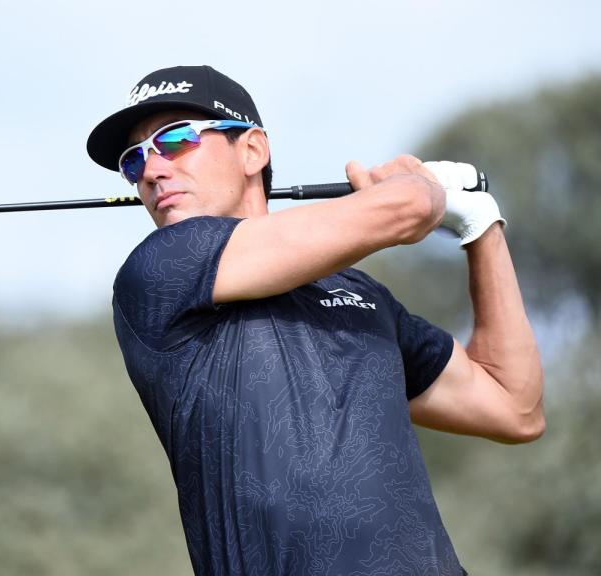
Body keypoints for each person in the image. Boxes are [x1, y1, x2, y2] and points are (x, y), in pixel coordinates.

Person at [85, 65, 544, 576]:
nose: (151, 169)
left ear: (253, 151)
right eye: (134, 159)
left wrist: (481, 225)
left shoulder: (361, 294)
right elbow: (409, 207)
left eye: (173, 140)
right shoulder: (161, 268)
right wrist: (419, 188)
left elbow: (514, 406)